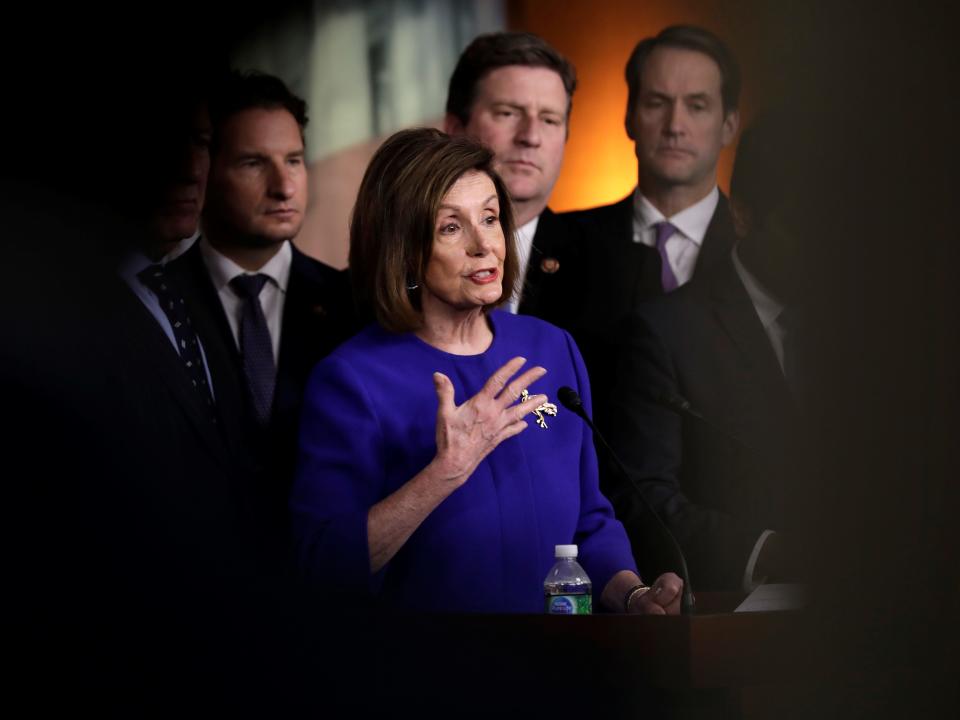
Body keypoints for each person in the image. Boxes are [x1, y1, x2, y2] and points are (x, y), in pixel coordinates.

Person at [291, 128, 681, 613]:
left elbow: (589, 521)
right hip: (434, 675)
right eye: (450, 227)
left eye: (491, 218)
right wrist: (445, 472)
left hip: (565, 672)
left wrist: (633, 594)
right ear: (403, 249)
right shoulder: (352, 381)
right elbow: (322, 565)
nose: (484, 245)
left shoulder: (550, 347)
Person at [603, 114, 809, 591]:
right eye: (802, 228)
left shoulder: (872, 324)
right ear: (742, 216)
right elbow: (645, 496)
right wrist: (769, 552)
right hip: (735, 619)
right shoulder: (664, 332)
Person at [173, 71, 356, 521]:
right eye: (253, 163)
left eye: (294, 160)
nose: (284, 186)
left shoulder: (355, 304)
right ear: (204, 168)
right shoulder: (159, 298)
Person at [565, 25, 741, 411]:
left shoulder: (759, 250)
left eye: (697, 106)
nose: (675, 126)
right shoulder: (565, 243)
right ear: (629, 117)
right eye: (657, 103)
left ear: (729, 125)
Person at [444, 32, 582, 323]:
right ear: (455, 129)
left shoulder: (616, 271)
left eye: (549, 120)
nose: (530, 137)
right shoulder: (389, 268)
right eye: (507, 113)